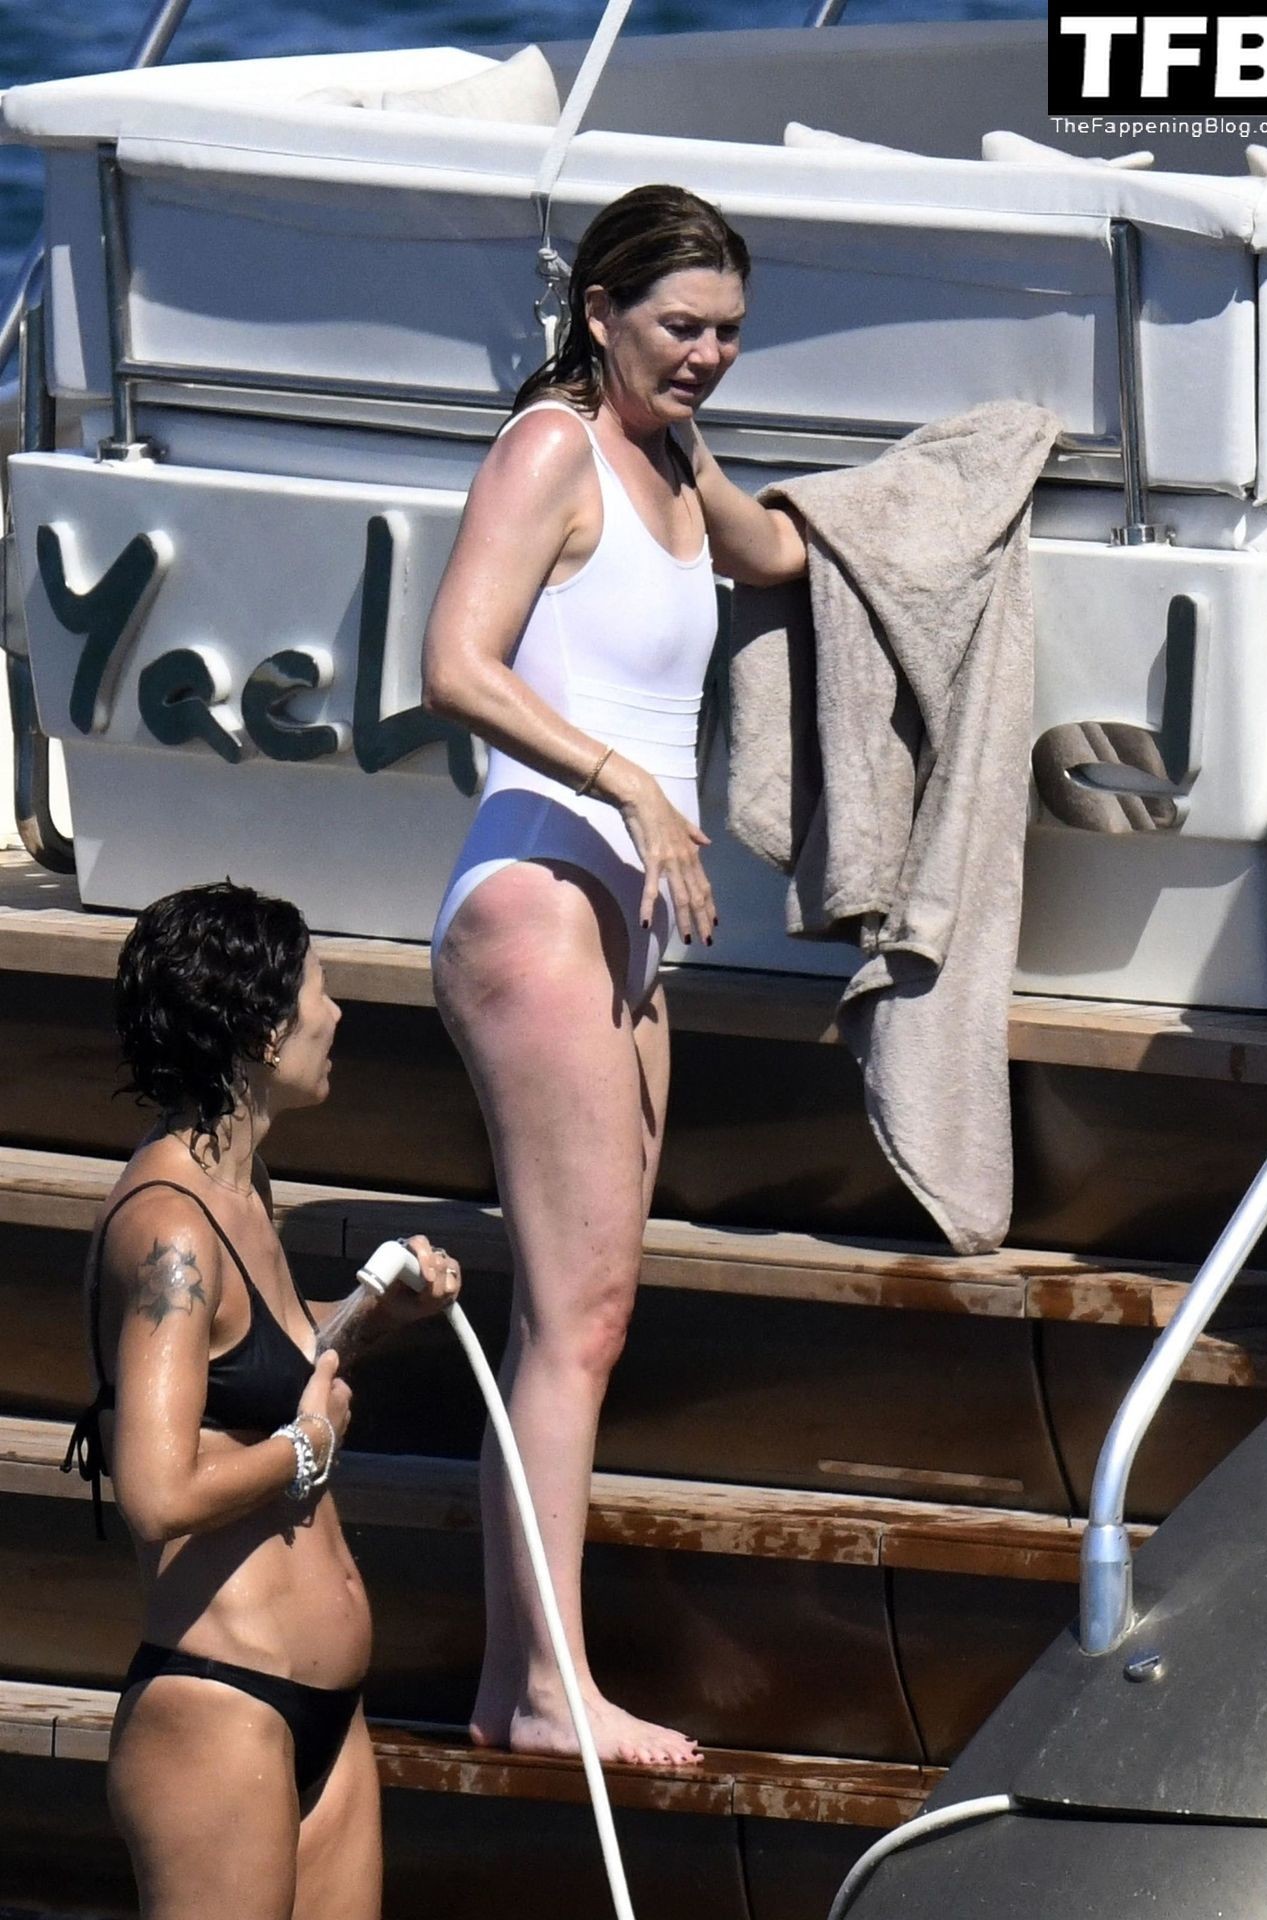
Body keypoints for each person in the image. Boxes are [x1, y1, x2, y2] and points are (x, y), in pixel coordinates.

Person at [422, 183, 808, 1768]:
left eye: (729, 332)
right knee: (577, 1318)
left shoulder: (672, 458)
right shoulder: (552, 449)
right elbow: (453, 661)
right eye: (679, 327)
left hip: (623, 921)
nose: (706, 354)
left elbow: (780, 554)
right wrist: (630, 783)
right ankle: (548, 1689)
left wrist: (945, 491)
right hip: (537, 895)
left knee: (582, 1315)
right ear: (598, 312)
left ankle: (511, 1679)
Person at [63, 880, 461, 1920]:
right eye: (317, 989)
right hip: (221, 1707)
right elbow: (157, 1492)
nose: (336, 1013)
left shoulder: (241, 1189)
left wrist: (375, 1314)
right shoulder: (173, 1228)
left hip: (321, 1712)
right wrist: (308, 1447)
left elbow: (260, 1366)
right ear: (258, 1029)